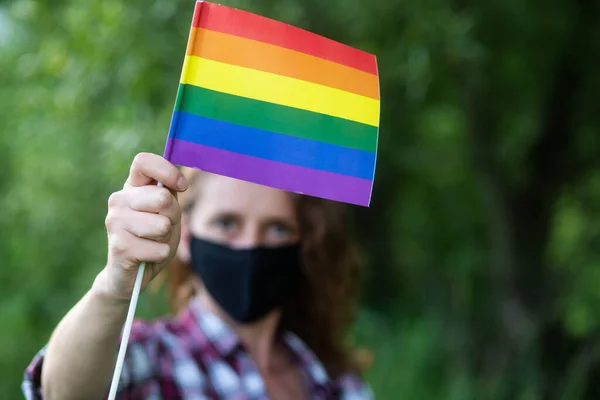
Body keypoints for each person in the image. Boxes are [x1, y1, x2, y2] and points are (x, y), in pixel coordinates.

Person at [22, 153, 374, 399]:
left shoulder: (335, 382)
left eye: (277, 229)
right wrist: (115, 287)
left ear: (302, 243)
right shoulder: (154, 358)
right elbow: (63, 393)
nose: (250, 245)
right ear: (185, 237)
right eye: (226, 223)